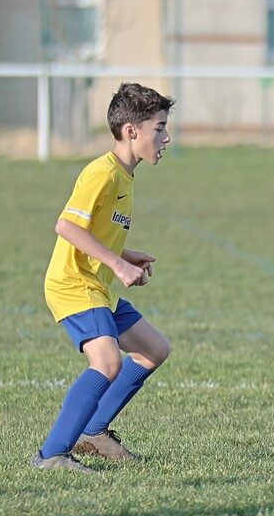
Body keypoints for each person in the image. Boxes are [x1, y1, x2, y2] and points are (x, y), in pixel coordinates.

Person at [33, 83, 175, 471]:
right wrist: (118, 265)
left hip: (97, 285)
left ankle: (94, 432)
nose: (166, 137)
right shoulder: (103, 173)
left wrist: (125, 255)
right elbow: (66, 227)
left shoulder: (125, 176)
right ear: (131, 131)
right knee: (108, 362)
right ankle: (52, 454)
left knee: (153, 350)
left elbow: (94, 230)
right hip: (74, 284)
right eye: (159, 127)